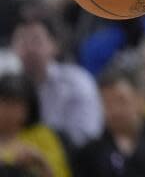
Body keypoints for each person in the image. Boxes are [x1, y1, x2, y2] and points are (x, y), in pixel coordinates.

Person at [11, 11, 103, 147]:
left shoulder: (77, 82)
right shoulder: (7, 82)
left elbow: (88, 135)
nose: (29, 49)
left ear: (55, 45)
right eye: (22, 40)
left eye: (36, 41)